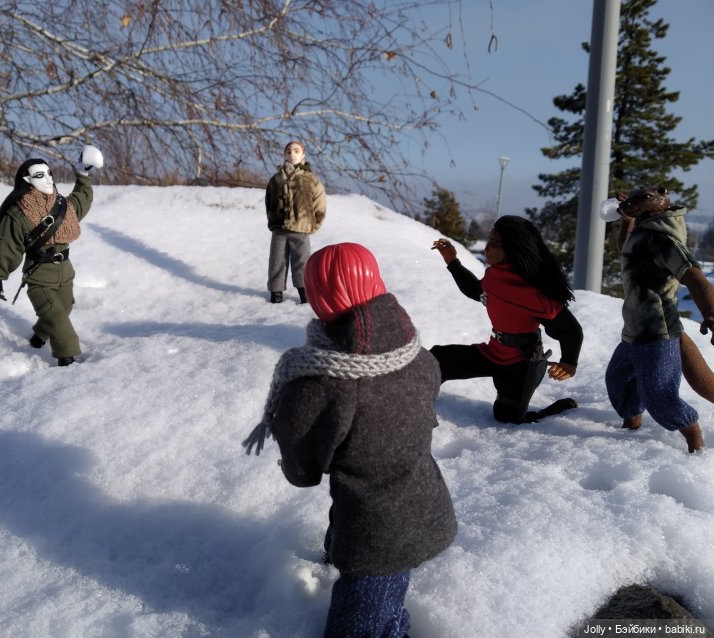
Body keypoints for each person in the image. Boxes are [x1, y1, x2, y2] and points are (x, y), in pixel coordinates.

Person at [243, 242, 457, 638]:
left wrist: (301, 468)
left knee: (360, 622)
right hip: (425, 497)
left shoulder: (324, 383)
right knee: (369, 556)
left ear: (320, 297)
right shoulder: (416, 353)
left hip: (380, 536)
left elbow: (303, 457)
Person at [430, 215, 583, 424]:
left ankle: (556, 409)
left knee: (507, 417)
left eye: (494, 244)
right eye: (488, 241)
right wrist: (452, 261)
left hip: (519, 365)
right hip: (493, 352)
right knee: (435, 360)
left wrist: (569, 362)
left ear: (512, 248)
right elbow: (477, 291)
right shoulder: (495, 275)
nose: (487, 248)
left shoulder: (535, 294)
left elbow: (571, 330)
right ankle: (410, 400)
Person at [606, 185, 711, 453]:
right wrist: (627, 223)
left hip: (657, 333)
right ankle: (631, 424)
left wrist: (711, 312)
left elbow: (695, 278)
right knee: (619, 381)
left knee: (659, 395)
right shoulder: (642, 233)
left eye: (642, 200)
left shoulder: (664, 240)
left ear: (660, 200)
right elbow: (626, 252)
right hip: (634, 331)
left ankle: (693, 436)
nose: (633, 204)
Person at [0, 145, 103, 367]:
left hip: (65, 273)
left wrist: (83, 174)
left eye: (49, 174)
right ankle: (67, 360)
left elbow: (82, 199)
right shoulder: (18, 213)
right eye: (39, 176)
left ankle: (39, 335)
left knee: (64, 307)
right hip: (39, 276)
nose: (47, 179)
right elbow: (6, 244)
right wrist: (0, 275)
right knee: (60, 321)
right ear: (27, 179)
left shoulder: (63, 206)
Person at [264, 140, 326, 304]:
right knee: (277, 261)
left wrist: (314, 225)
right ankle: (276, 293)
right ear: (284, 155)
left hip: (301, 228)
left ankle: (305, 293)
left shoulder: (311, 180)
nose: (292, 154)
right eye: (289, 151)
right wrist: (273, 219)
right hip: (279, 229)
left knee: (302, 262)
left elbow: (319, 204)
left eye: (296, 151)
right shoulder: (276, 179)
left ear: (303, 155)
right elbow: (269, 202)